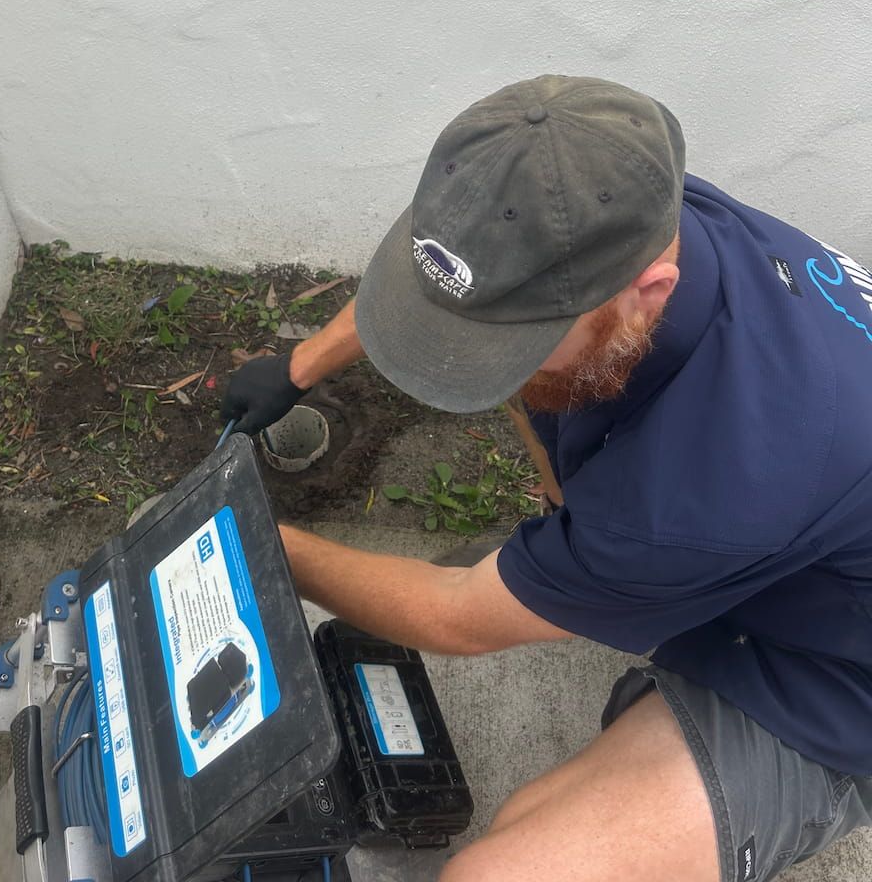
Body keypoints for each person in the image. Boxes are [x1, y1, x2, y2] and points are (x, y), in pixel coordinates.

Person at [222, 75, 872, 882]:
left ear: (648, 295)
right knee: (549, 382)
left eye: (519, 336)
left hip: (840, 680)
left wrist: (255, 543)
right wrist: (299, 364)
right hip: (789, 532)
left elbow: (459, 619)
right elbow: (452, 285)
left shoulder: (707, 486)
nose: (468, 368)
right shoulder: (612, 197)